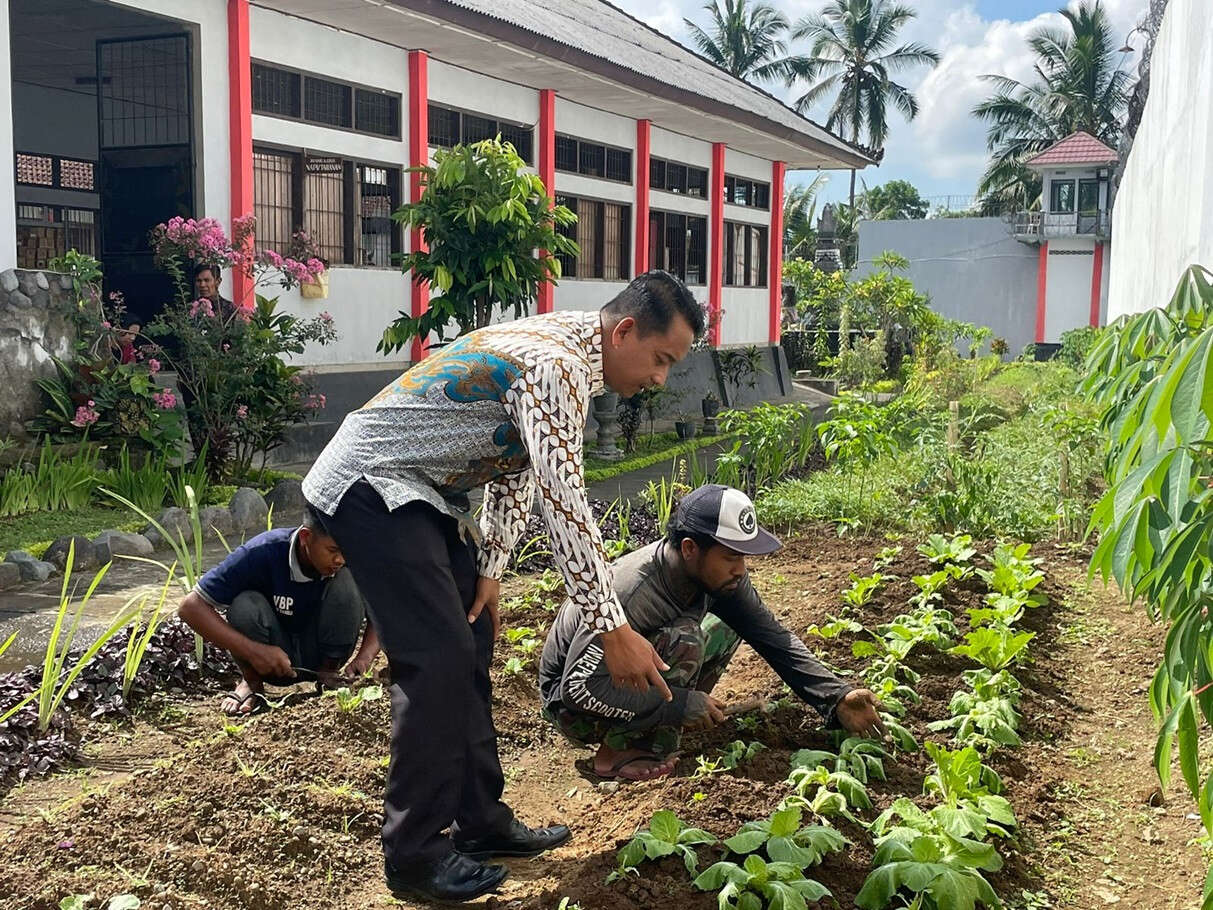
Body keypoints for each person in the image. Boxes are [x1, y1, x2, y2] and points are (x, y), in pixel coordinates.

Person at [302, 270, 704, 903]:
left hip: (424, 492)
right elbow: (563, 498)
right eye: (660, 360)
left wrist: (489, 569)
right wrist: (613, 627)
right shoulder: (558, 368)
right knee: (434, 662)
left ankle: (481, 822)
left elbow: (519, 465)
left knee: (471, 639)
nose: (660, 379)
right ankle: (414, 857)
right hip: (370, 482)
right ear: (624, 330)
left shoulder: (571, 357)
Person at [539, 484, 885, 782]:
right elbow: (576, 689)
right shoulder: (635, 591)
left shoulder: (718, 577)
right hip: (574, 707)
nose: (741, 569)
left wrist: (836, 697)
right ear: (690, 549)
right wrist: (679, 705)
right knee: (684, 638)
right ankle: (616, 753)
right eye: (732, 556)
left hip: (607, 689)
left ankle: (662, 724)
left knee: (724, 628)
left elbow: (771, 636)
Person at [178, 508, 380, 716]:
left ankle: (328, 675)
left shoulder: (351, 560)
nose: (340, 559)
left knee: (348, 582)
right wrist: (254, 651)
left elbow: (387, 610)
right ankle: (251, 682)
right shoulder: (262, 552)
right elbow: (190, 607)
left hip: (322, 652)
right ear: (305, 537)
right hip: (270, 662)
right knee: (244, 604)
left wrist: (364, 657)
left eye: (345, 551)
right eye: (332, 550)